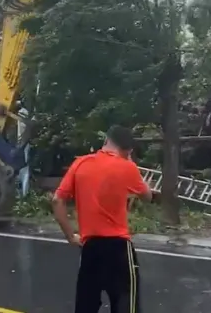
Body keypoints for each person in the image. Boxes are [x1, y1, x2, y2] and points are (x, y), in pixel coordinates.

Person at [52, 125, 153, 313]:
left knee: (86, 306)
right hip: (119, 249)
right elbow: (147, 196)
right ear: (128, 150)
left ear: (106, 140)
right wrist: (129, 160)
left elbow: (57, 200)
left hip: (90, 247)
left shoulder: (81, 163)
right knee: (126, 306)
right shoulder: (127, 167)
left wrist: (70, 236)